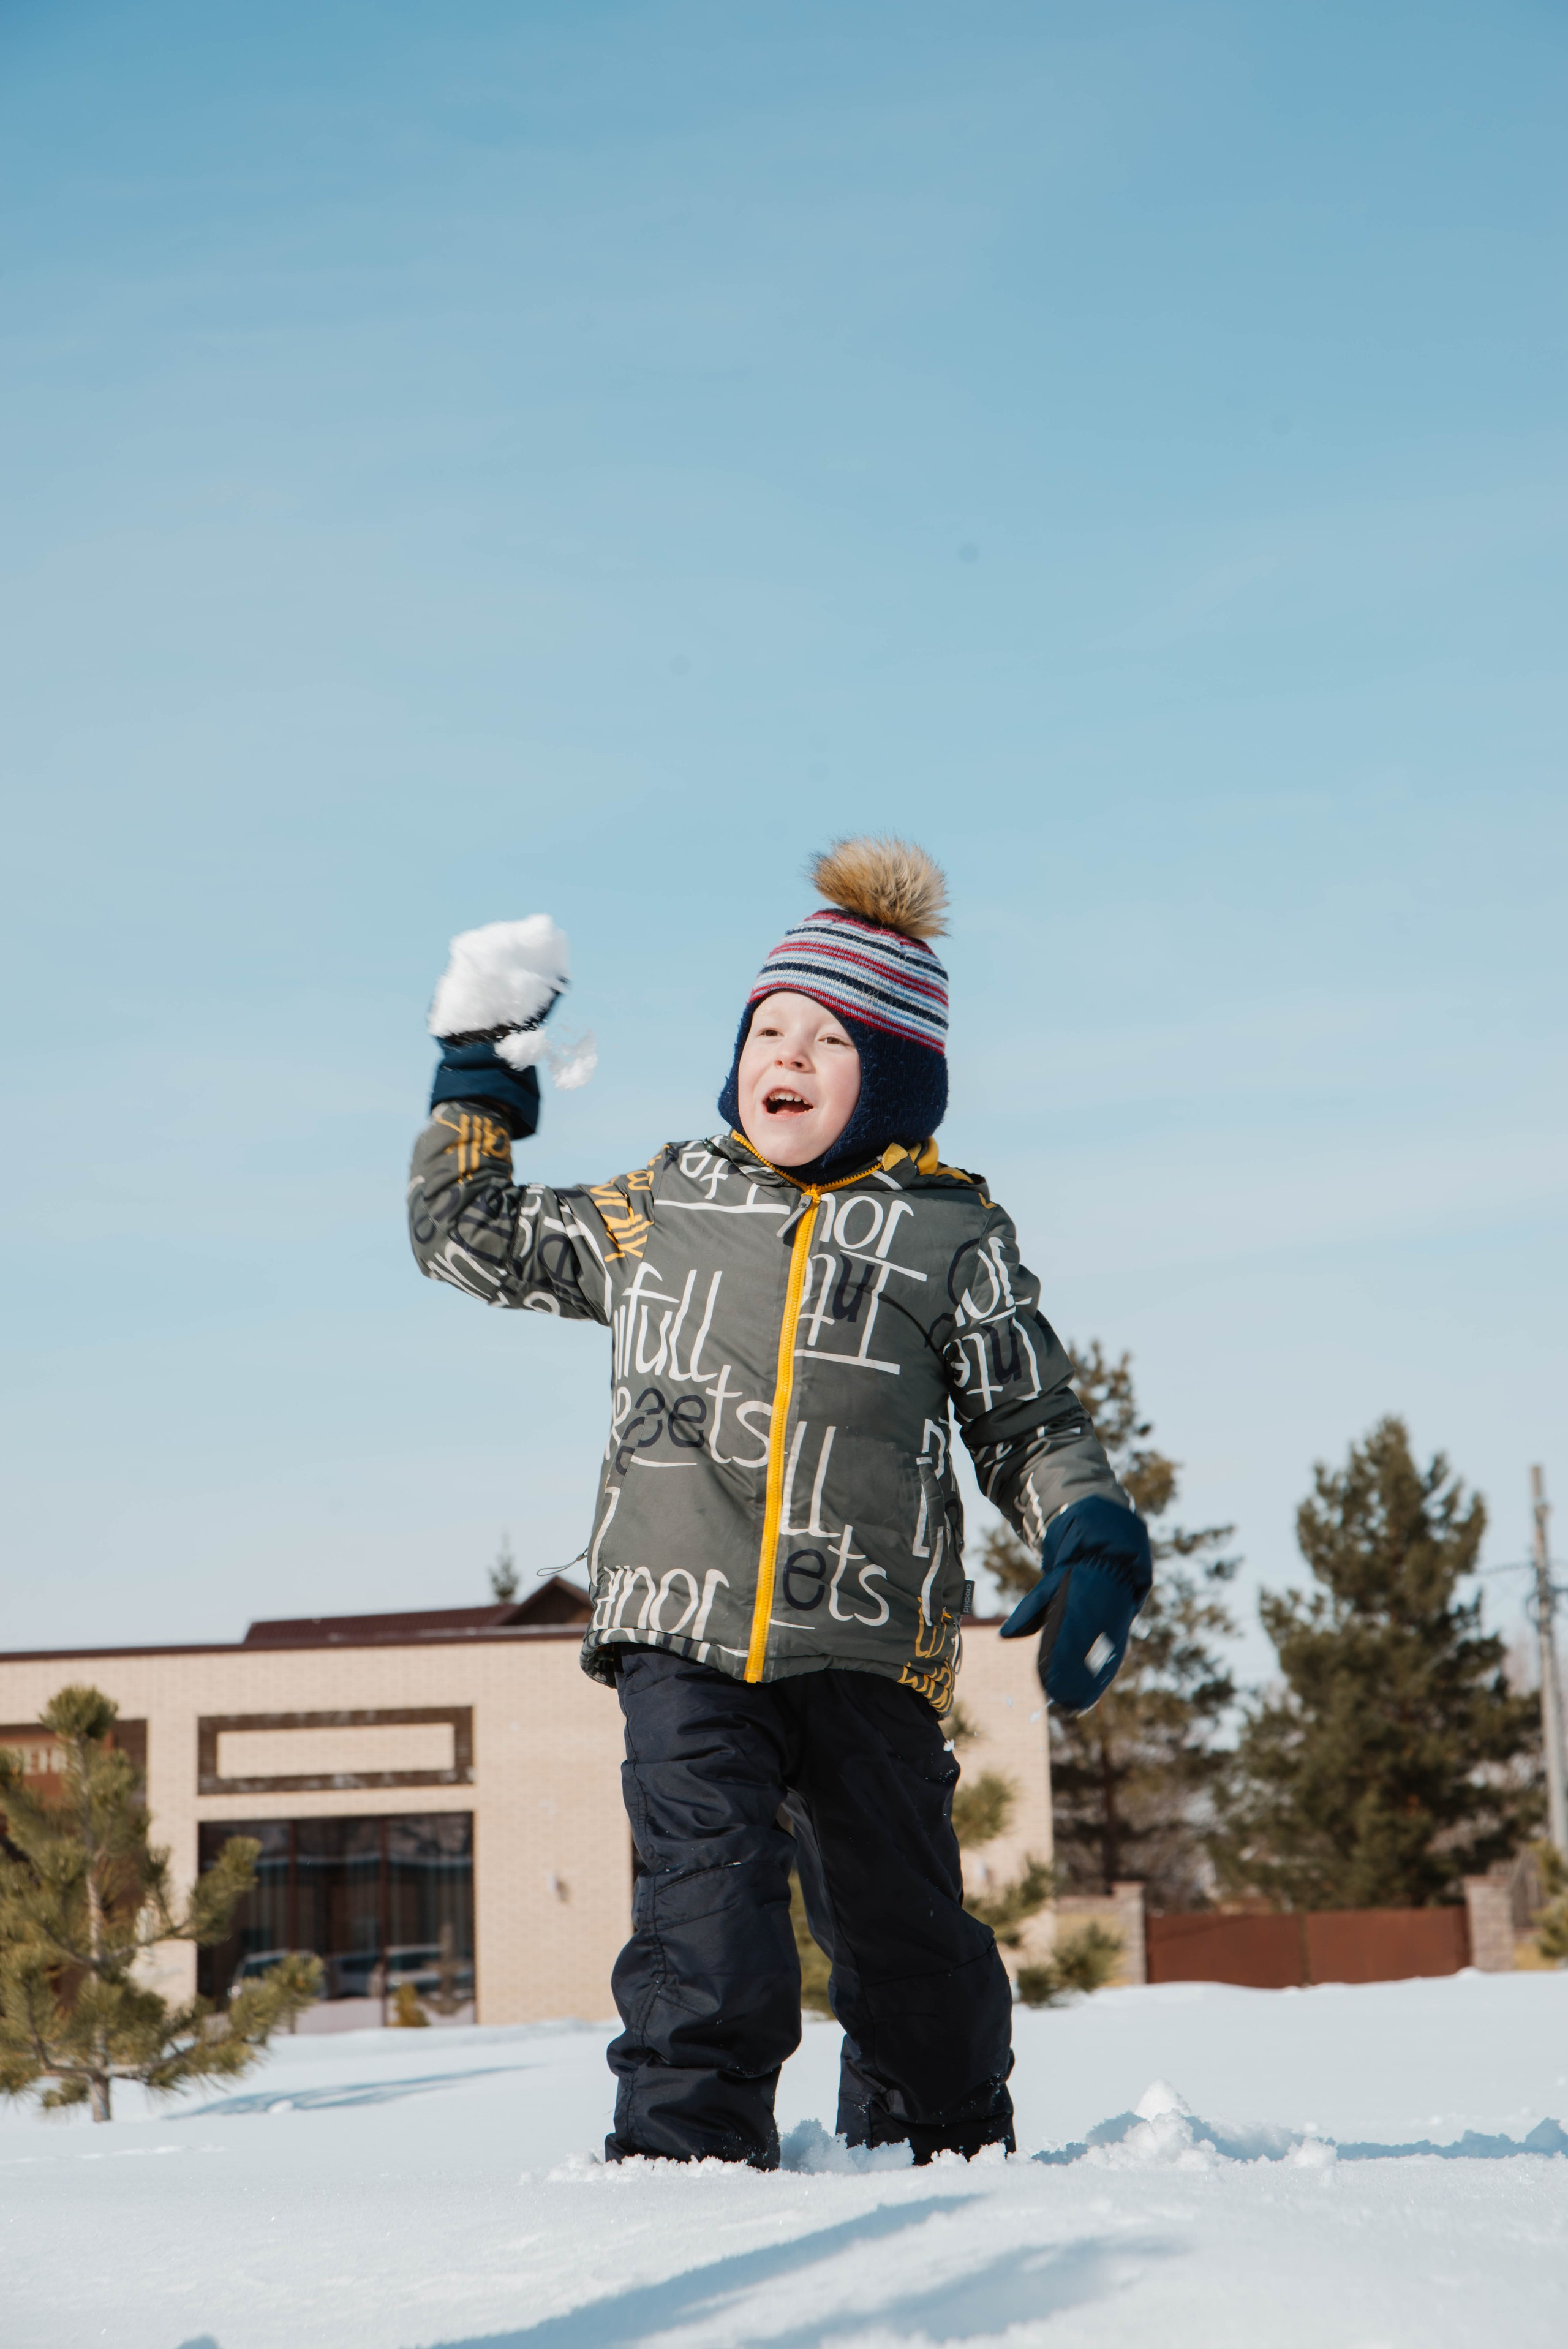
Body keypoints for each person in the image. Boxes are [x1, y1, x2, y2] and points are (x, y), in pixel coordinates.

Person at [407, 835, 1151, 2167]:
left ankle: (940, 2157)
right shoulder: (663, 1207)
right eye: (768, 1029)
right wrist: (479, 1076)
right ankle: (683, 2167)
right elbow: (467, 1232)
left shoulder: (949, 1236)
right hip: (681, 1634)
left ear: (896, 1076)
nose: (786, 1056)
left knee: (907, 1940)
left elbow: (1028, 1419)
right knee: (706, 1923)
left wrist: (1088, 1531)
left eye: (829, 1038)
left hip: (869, 1643)